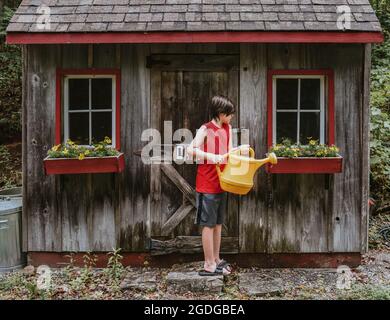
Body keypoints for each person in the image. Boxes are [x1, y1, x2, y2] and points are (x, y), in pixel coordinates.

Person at [187, 95, 247, 276]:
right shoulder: (205, 129)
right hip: (207, 183)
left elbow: (227, 153)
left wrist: (238, 150)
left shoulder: (227, 128)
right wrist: (212, 157)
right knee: (208, 224)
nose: (232, 117)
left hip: (222, 183)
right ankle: (208, 264)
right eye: (230, 114)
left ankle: (216, 259)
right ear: (221, 114)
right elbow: (191, 151)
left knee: (218, 224)